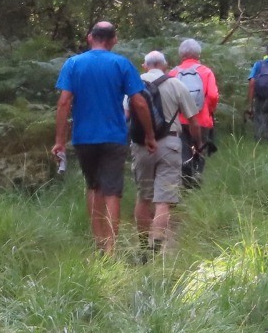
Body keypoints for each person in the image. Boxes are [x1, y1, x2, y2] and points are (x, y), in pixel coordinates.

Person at [52, 21, 156, 255]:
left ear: (90, 37)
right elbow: (139, 103)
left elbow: (64, 102)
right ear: (114, 40)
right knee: (112, 190)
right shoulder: (122, 64)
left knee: (93, 186)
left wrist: (59, 140)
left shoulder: (73, 64)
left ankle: (98, 241)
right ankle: (111, 248)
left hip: (83, 137)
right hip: (114, 137)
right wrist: (149, 135)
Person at [132, 51, 202, 255]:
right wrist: (197, 143)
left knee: (143, 196)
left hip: (141, 144)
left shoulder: (133, 84)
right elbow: (193, 121)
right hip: (170, 144)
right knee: (163, 199)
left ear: (144, 65)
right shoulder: (176, 84)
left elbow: (125, 115)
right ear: (165, 65)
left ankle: (143, 246)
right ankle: (156, 245)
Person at [169, 38, 219, 188]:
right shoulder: (206, 72)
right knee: (199, 147)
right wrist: (209, 110)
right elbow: (213, 95)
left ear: (181, 55)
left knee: (184, 149)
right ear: (198, 54)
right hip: (202, 119)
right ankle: (196, 177)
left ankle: (185, 181)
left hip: (179, 120)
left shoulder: (173, 73)